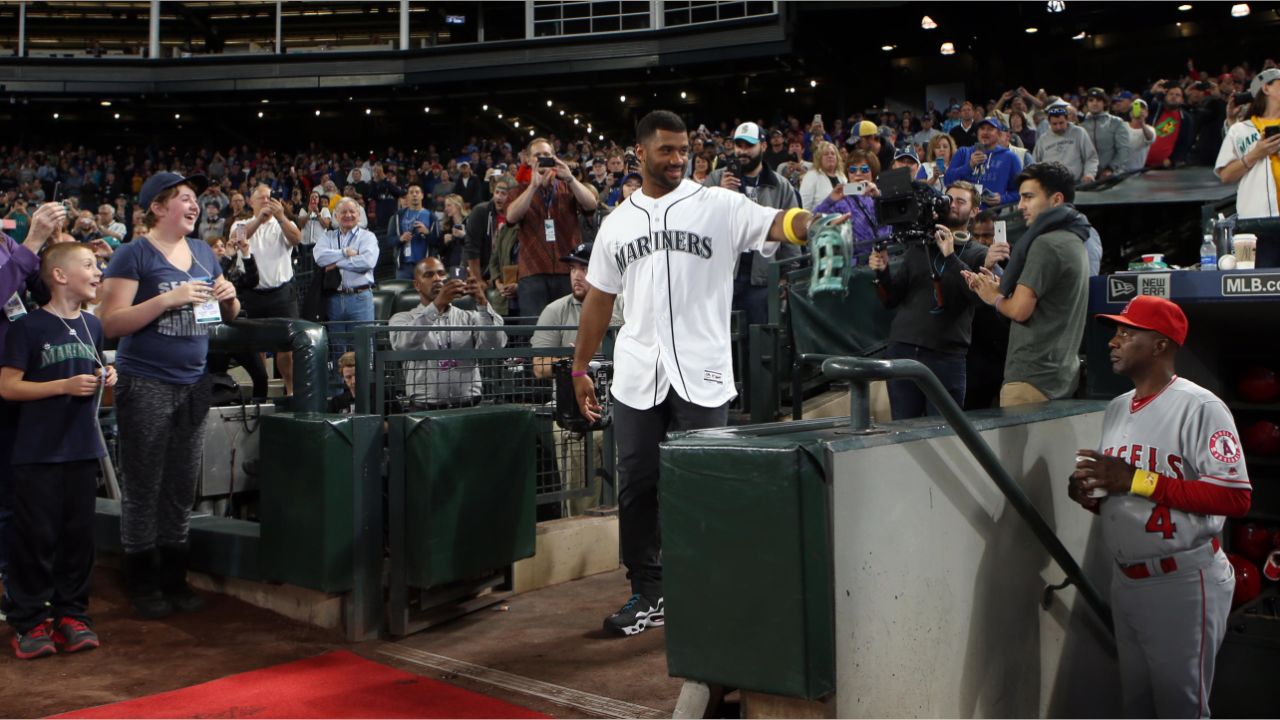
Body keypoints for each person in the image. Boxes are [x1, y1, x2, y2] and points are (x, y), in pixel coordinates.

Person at [570, 110, 845, 637]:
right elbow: (599, 301)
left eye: (683, 150)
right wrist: (579, 367)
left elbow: (777, 223)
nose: (677, 159)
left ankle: (709, 585)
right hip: (636, 373)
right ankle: (649, 592)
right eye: (666, 150)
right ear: (641, 153)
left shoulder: (717, 204)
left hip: (702, 370)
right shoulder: (617, 222)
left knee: (706, 483)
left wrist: (817, 223)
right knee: (636, 486)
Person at [1069, 295, 1249, 719]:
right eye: (1116, 331)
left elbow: (1236, 496)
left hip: (1182, 582)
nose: (1114, 340)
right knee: (1139, 706)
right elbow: (1128, 492)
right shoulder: (1116, 408)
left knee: (1180, 709)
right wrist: (1092, 495)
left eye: (1127, 332)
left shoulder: (1200, 406)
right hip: (1126, 579)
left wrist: (1135, 478)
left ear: (1160, 345)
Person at [99, 171, 239, 619]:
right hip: (146, 381)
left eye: (195, 198)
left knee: (181, 487)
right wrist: (167, 299)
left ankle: (174, 576)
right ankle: (142, 579)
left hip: (194, 381)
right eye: (184, 198)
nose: (194, 205)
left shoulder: (203, 252)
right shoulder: (133, 253)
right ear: (158, 208)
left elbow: (226, 316)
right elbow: (110, 323)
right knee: (144, 486)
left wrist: (231, 297)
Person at [0, 243, 114, 659]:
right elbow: (7, 387)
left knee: (77, 538)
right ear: (60, 276)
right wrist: (62, 386)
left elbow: (93, 381)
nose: (98, 271)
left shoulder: (93, 326)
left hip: (81, 449)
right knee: (34, 538)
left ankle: (72, 614)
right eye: (89, 264)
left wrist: (106, 376)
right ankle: (29, 620)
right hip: (37, 452)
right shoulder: (28, 327)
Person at [961, 162, 1090, 407]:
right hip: (1059, 377)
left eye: (1028, 197)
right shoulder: (1075, 239)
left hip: (1031, 380)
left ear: (1056, 200)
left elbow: (1020, 310)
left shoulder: (1045, 245)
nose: (1021, 206)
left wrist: (994, 297)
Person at [867, 183, 992, 419]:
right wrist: (882, 271)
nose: (952, 205)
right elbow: (891, 299)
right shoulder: (920, 245)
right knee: (903, 429)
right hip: (903, 347)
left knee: (945, 431)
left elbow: (977, 296)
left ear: (974, 211)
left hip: (946, 355)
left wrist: (951, 255)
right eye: (949, 199)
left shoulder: (978, 253)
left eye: (960, 201)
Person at [705, 122, 803, 326]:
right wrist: (720, 193)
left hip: (762, 279)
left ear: (763, 146)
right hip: (723, 276)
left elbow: (790, 238)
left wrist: (786, 276)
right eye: (739, 145)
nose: (742, 151)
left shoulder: (781, 185)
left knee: (759, 343)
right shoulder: (716, 178)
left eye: (749, 145)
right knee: (722, 338)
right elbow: (701, 222)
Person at [389, 258, 505, 409]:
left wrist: (482, 302)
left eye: (441, 274)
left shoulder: (470, 317)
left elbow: (495, 345)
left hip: (469, 406)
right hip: (425, 409)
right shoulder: (402, 318)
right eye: (429, 275)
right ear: (417, 285)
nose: (437, 279)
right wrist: (436, 305)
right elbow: (403, 345)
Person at [505, 138, 599, 320]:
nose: (542, 159)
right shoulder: (519, 191)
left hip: (567, 271)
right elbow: (510, 217)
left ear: (555, 158)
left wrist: (570, 177)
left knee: (569, 327)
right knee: (534, 331)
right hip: (533, 272)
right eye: (537, 155)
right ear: (528, 160)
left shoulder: (567, 187)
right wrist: (533, 186)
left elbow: (591, 205)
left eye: (547, 155)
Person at [231, 184, 303, 395]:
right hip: (252, 294)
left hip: (281, 293)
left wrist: (280, 217)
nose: (266, 201)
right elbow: (237, 239)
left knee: (286, 347)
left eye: (269, 197)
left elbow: (297, 238)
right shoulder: (241, 223)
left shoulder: (282, 223)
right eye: (261, 198)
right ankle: (263, 391)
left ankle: (291, 391)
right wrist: (259, 220)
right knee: (256, 347)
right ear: (250, 201)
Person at [1215, 67, 1280, 267]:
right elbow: (1225, 175)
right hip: (1256, 226)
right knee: (1260, 288)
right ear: (1266, 88)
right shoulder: (1240, 130)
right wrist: (1256, 154)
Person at [531, 242, 624, 379]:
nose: (576, 276)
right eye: (573, 269)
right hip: (570, 394)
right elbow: (539, 366)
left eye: (584, 269)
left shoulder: (623, 304)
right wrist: (572, 362)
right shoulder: (554, 310)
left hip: (619, 390)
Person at [313, 197, 379, 353]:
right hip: (334, 299)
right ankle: (339, 378)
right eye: (343, 212)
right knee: (337, 347)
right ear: (336, 216)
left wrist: (336, 263)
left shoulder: (368, 237)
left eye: (352, 211)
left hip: (360, 297)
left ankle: (365, 378)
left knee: (364, 347)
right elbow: (320, 258)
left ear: (359, 214)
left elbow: (367, 262)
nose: (348, 215)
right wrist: (344, 253)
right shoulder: (327, 237)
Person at [812, 149, 890, 264]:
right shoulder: (840, 201)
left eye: (864, 169)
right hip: (857, 264)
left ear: (873, 172)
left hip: (886, 258)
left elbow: (895, 223)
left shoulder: (882, 195)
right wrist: (829, 201)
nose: (858, 173)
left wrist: (879, 198)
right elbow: (812, 224)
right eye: (853, 170)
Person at [945, 117, 1023, 206]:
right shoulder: (963, 152)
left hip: (992, 214)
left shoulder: (1010, 158)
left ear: (999, 134)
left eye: (990, 129)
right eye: (982, 128)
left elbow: (1020, 192)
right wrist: (969, 166)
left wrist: (1002, 199)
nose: (985, 132)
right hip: (964, 213)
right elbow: (947, 181)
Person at [1033, 105, 1099, 183]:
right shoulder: (1042, 140)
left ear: (1067, 119)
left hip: (1076, 184)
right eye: (1054, 124)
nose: (1058, 127)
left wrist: (1089, 174)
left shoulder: (1079, 133)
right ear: (1049, 122)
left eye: (1061, 123)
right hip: (1051, 185)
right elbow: (1035, 164)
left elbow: (1091, 157)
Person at [1081, 87, 1131, 178]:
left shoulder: (1116, 122)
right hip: (1087, 177)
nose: (1095, 103)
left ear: (1104, 103)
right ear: (1086, 103)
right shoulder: (1081, 125)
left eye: (1098, 100)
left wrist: (1110, 168)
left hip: (1112, 177)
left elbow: (1124, 150)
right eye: (1091, 100)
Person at [1145, 81, 1195, 169]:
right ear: (1165, 97)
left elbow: (1185, 143)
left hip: (1164, 167)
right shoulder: (1156, 109)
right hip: (1142, 163)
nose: (1174, 96)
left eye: (1178, 95)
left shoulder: (1185, 118)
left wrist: (1172, 160)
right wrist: (1151, 92)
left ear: (1182, 100)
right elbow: (1141, 107)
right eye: (1171, 94)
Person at [799, 140, 847, 211]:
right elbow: (804, 206)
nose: (830, 156)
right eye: (826, 154)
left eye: (833, 154)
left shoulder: (842, 176)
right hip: (819, 219)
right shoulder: (811, 176)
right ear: (819, 158)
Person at [1125, 99, 1157, 173]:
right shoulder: (1122, 126)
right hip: (1117, 171)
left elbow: (1150, 138)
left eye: (1143, 109)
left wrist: (1142, 122)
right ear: (1130, 113)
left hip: (1135, 172)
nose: (1140, 110)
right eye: (1136, 108)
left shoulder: (1150, 129)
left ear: (1147, 113)